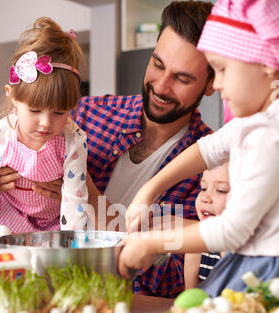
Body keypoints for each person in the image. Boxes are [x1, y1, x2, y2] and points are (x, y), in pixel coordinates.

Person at [0, 1, 215, 297]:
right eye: (157, 64)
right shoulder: (84, 114)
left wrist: (88, 194)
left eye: (182, 78)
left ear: (212, 83)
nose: (161, 86)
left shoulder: (210, 171)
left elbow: (170, 277)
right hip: (39, 292)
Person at [120, 0, 279, 297]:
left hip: (265, 272)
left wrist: (153, 243)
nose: (215, 85)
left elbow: (232, 229)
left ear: (268, 67)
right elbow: (208, 149)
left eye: (221, 69)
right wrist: (149, 190)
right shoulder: (257, 122)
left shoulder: (269, 134)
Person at [0, 17, 88, 249]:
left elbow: (74, 203)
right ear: (13, 97)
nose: (45, 123)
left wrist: (74, 251)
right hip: (10, 220)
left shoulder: (74, 141)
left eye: (59, 112)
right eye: (35, 110)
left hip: (55, 225)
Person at [184, 163, 230, 289]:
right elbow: (189, 301)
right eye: (203, 188)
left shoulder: (256, 251)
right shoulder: (196, 248)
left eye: (221, 190)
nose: (205, 198)